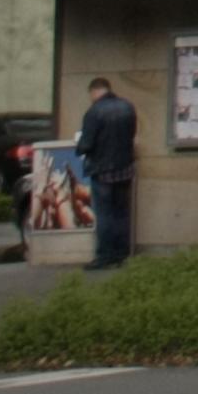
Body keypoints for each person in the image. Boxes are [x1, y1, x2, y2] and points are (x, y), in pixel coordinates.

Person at [77, 75, 138, 271]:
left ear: (94, 92)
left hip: (101, 170)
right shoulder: (128, 107)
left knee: (104, 214)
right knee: (122, 213)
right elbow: (131, 135)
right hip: (125, 168)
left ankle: (104, 255)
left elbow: (86, 143)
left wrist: (80, 148)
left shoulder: (94, 112)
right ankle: (122, 253)